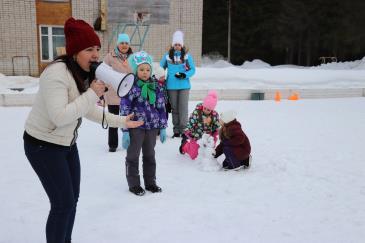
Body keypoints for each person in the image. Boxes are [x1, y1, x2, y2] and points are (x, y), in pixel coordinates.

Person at [23, 17, 143, 243]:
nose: (96, 54)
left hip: (67, 144)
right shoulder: (56, 74)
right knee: (62, 204)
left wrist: (122, 121)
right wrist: (92, 94)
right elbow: (60, 116)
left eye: (97, 48)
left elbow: (85, 110)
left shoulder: (81, 72)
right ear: (75, 52)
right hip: (42, 146)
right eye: (89, 49)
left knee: (72, 200)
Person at [121, 51, 168, 196]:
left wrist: (163, 126)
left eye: (148, 69)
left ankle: (150, 182)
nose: (145, 72)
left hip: (152, 127)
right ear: (136, 70)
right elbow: (124, 108)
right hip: (136, 126)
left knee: (149, 155)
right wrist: (125, 130)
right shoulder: (130, 86)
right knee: (133, 156)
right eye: (141, 69)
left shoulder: (156, 86)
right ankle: (134, 184)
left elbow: (161, 107)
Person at [160, 30, 196, 138]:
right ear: (172, 45)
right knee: (175, 108)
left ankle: (184, 129)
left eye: (179, 44)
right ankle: (176, 130)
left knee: (183, 108)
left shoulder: (187, 57)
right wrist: (160, 76)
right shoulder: (167, 56)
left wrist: (184, 74)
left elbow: (193, 70)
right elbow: (161, 68)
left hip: (184, 86)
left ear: (182, 45)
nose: (177, 46)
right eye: (175, 44)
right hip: (171, 86)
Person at [103, 33, 133, 152]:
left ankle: (130, 143)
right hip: (113, 94)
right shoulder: (110, 57)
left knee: (129, 120)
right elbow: (103, 73)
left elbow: (136, 73)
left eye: (126, 43)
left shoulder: (133, 57)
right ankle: (112, 145)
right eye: (122, 43)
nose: (124, 45)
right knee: (113, 120)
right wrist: (103, 91)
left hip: (128, 95)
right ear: (118, 44)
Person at [179, 90, 220, 160]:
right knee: (194, 156)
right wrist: (189, 132)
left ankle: (208, 152)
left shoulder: (214, 115)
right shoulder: (197, 113)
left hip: (208, 136)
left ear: (212, 109)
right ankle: (184, 145)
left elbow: (217, 125)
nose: (206, 110)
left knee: (209, 153)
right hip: (196, 135)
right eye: (205, 108)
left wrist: (215, 131)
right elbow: (190, 124)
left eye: (209, 110)